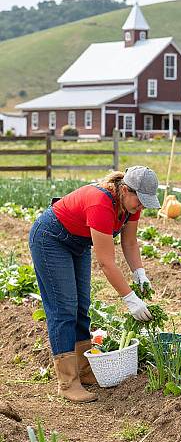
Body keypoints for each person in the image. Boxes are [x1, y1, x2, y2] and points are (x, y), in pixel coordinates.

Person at [29, 166, 160, 403]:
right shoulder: (100, 202)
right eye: (139, 201)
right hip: (51, 239)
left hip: (77, 242)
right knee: (64, 308)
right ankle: (67, 382)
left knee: (82, 305)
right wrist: (130, 299)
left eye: (144, 203)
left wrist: (139, 273)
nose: (140, 207)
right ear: (125, 190)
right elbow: (106, 263)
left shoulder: (130, 207)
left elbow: (129, 243)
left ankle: (84, 369)